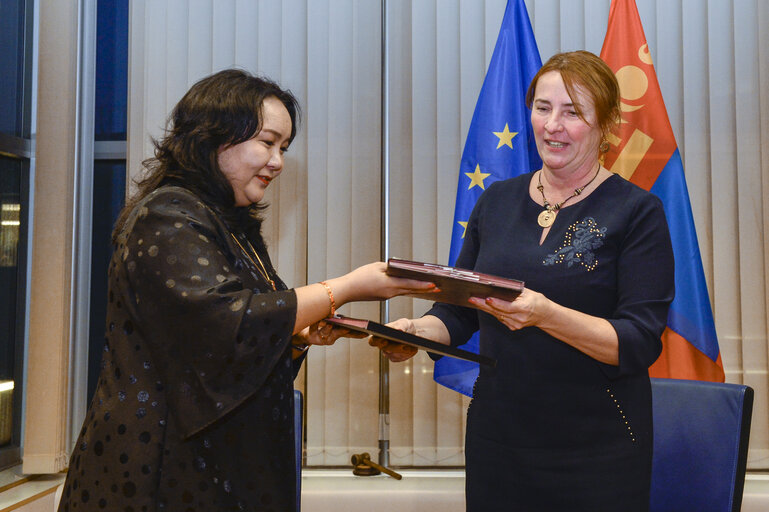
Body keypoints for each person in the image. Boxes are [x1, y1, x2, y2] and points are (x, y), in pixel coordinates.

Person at [57, 69, 435, 512]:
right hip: (156, 461)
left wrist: (295, 338)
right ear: (213, 138)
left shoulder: (231, 224)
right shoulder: (168, 213)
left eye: (284, 148)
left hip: (217, 458)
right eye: (268, 142)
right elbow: (228, 321)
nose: (278, 161)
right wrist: (346, 288)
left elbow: (235, 343)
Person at [370, 51, 674, 511]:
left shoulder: (637, 212)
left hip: (598, 450)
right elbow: (458, 310)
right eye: (543, 107)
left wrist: (546, 315)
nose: (552, 125)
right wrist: (415, 332)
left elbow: (637, 341)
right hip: (499, 441)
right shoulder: (496, 201)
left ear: (607, 124)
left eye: (573, 112)